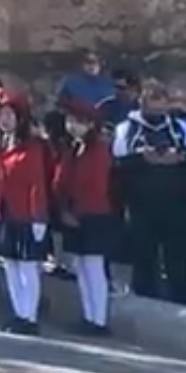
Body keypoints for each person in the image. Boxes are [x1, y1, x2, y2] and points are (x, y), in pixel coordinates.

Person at [111, 79, 186, 302]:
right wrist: (144, 157)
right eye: (151, 100)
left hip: (175, 203)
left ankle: (179, 293)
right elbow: (118, 158)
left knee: (177, 252)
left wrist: (176, 158)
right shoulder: (127, 127)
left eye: (161, 100)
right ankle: (145, 292)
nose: (157, 106)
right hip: (142, 204)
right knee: (144, 251)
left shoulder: (179, 126)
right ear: (141, 101)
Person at [0, 92, 51, 335]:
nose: (5, 119)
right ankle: (18, 313)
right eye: (1, 115)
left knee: (28, 267)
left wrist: (38, 217)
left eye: (10, 115)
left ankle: (29, 316)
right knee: (10, 265)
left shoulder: (32, 147)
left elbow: (36, 182)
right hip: (4, 214)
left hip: (26, 214)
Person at [55, 102, 117, 336]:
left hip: (93, 214)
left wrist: (76, 213)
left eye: (79, 122)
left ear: (91, 125)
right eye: (70, 121)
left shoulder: (98, 151)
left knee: (93, 266)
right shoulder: (73, 148)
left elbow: (95, 186)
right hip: (74, 212)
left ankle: (98, 319)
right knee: (80, 266)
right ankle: (88, 315)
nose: (73, 126)